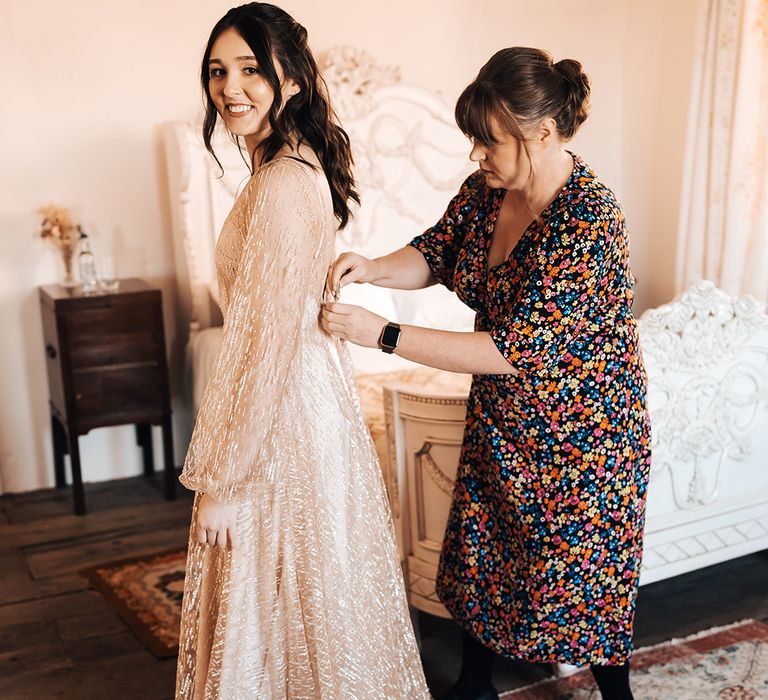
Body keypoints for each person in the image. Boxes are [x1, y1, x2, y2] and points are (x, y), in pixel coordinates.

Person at [323, 47, 651, 700]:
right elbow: (436, 252)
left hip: (584, 439)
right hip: (504, 423)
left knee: (583, 586)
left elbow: (511, 351)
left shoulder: (589, 223)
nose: (476, 155)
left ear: (543, 133)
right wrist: (372, 267)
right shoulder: (487, 191)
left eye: (489, 141)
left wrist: (382, 333)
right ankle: (474, 683)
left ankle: (617, 696)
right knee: (480, 561)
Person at [175, 4, 430, 698]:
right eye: (218, 70)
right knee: (291, 607)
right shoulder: (281, 170)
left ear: (290, 79)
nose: (231, 87)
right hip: (296, 405)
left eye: (252, 69)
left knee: (282, 603)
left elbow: (262, 345)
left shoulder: (286, 182)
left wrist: (222, 478)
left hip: (283, 417)